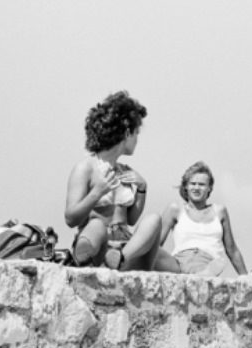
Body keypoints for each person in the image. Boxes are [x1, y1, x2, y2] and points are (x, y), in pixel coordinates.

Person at [64, 91, 179, 272]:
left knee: (154, 220)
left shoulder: (124, 171)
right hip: (98, 243)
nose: (137, 140)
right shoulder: (85, 168)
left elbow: (132, 220)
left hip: (125, 246)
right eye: (136, 133)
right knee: (97, 226)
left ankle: (120, 259)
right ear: (126, 133)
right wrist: (97, 192)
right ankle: (87, 256)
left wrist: (142, 189)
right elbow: (70, 218)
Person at [159, 162, 247, 277]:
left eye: (201, 184)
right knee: (149, 248)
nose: (196, 188)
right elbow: (156, 244)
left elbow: (232, 250)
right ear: (186, 186)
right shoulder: (175, 209)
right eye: (192, 184)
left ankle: (202, 276)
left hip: (207, 260)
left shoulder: (219, 211)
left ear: (209, 188)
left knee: (211, 266)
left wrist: (246, 277)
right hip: (178, 262)